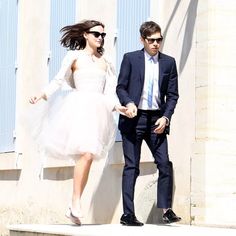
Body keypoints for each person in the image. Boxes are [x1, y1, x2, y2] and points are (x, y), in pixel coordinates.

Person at [29, 20, 127, 225]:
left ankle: (74, 204)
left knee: (88, 156)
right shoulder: (74, 56)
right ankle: (75, 202)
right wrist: (42, 94)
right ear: (85, 35)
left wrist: (119, 108)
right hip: (78, 109)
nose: (100, 38)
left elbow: (110, 91)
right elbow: (59, 80)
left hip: (99, 113)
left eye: (103, 35)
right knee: (86, 153)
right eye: (96, 34)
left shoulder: (106, 61)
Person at [116, 21, 181, 226]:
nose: (156, 44)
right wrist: (128, 103)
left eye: (159, 40)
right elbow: (121, 87)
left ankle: (166, 210)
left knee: (164, 163)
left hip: (156, 120)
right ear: (142, 39)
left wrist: (166, 116)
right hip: (133, 118)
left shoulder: (169, 63)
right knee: (132, 167)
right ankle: (128, 214)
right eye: (151, 40)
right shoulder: (130, 59)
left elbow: (172, 95)